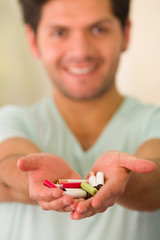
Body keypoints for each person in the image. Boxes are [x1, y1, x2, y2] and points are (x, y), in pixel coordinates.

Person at [0, 0, 160, 239]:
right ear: (33, 41)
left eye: (98, 29)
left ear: (125, 34)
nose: (80, 50)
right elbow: (8, 167)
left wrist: (128, 179)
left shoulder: (153, 121)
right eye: (60, 32)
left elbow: (155, 184)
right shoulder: (12, 119)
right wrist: (30, 179)